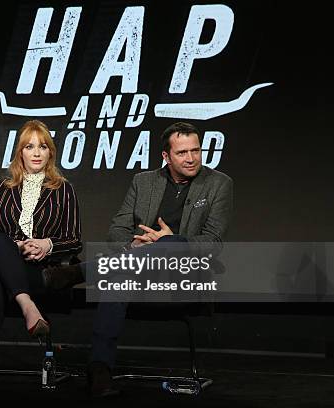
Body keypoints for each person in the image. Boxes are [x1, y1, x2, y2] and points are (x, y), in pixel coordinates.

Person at [84, 122, 233, 397]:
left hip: (183, 274)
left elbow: (213, 243)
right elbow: (117, 228)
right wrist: (133, 244)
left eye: (196, 150)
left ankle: (83, 272)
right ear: (166, 156)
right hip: (136, 269)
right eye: (182, 152)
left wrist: (165, 241)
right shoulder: (143, 181)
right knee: (117, 281)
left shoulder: (218, 184)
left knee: (169, 243)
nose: (191, 158)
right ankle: (100, 370)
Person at [0, 119, 81, 387]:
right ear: (20, 153)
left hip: (33, 270)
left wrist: (46, 244)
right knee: (1, 243)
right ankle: (29, 307)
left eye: (43, 147)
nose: (37, 153)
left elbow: (74, 240)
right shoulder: (1, 189)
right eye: (30, 146)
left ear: (51, 152)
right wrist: (15, 246)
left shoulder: (64, 190)